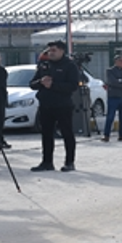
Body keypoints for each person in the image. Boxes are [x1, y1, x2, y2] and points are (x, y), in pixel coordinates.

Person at [29, 40, 80, 172]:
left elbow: (73, 86)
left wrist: (53, 85)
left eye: (54, 50)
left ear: (62, 51)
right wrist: (41, 82)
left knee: (67, 133)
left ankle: (69, 162)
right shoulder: (44, 65)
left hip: (63, 105)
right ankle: (47, 162)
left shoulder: (69, 66)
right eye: (49, 50)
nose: (51, 53)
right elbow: (32, 84)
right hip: (46, 105)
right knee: (46, 134)